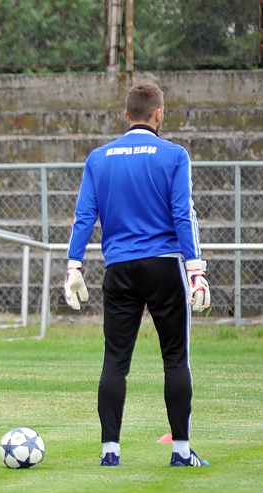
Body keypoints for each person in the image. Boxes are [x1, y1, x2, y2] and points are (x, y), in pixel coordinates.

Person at [64, 82, 211, 468]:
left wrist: (73, 265)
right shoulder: (174, 155)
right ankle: (181, 452)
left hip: (119, 268)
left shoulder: (99, 157)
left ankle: (109, 451)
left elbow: (84, 216)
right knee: (176, 359)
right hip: (164, 264)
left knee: (115, 361)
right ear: (159, 114)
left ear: (126, 115)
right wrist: (195, 271)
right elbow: (183, 215)